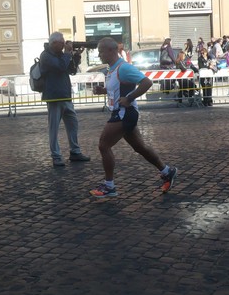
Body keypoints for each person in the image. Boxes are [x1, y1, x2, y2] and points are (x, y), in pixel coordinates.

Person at [90, 37, 178, 197]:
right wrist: (103, 91)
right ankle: (167, 171)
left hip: (124, 113)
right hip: (123, 113)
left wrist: (130, 98)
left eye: (101, 51)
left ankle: (109, 186)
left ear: (111, 50)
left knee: (104, 146)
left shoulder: (123, 67)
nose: (99, 54)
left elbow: (147, 82)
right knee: (140, 148)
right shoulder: (112, 68)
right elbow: (119, 88)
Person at [39, 32, 90, 167]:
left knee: (73, 124)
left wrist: (76, 55)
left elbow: (71, 70)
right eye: (61, 43)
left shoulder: (61, 55)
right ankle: (56, 156)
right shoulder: (46, 56)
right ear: (53, 43)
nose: (63, 45)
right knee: (54, 128)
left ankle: (75, 152)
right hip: (54, 97)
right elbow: (61, 66)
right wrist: (67, 53)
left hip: (65, 95)